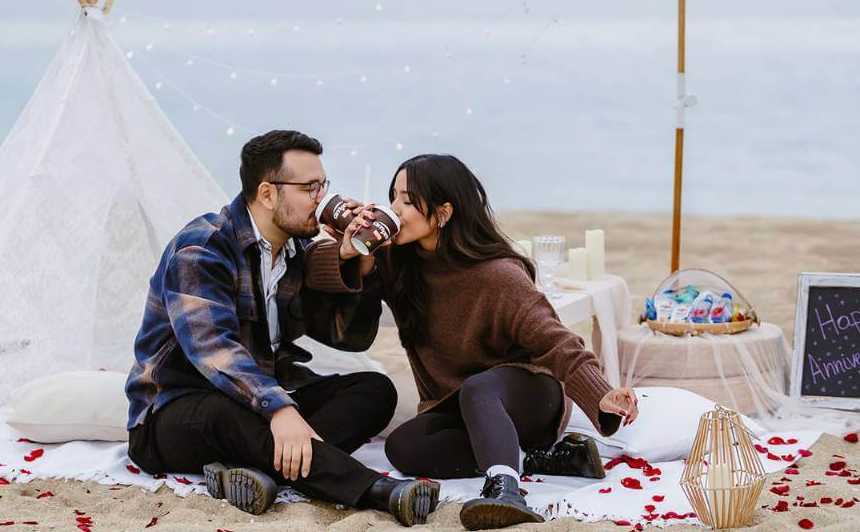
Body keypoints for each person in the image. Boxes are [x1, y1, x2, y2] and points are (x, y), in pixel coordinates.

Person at [125, 130, 439, 527]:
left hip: (258, 402)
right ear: (268, 193)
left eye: (323, 186)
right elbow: (213, 350)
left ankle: (258, 470)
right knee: (228, 414)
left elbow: (348, 336)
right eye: (310, 188)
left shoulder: (295, 252)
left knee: (374, 390)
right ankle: (378, 491)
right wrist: (281, 409)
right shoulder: (203, 248)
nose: (322, 199)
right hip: (177, 410)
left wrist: (358, 260)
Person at [337, 154, 639, 530]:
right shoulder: (400, 264)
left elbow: (555, 340)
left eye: (408, 201)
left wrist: (600, 394)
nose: (394, 209)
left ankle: (505, 487)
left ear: (444, 212)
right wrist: (357, 256)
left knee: (479, 389)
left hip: (528, 397)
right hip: (458, 404)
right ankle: (538, 458)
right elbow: (352, 329)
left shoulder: (498, 275)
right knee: (402, 446)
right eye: (393, 197)